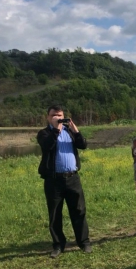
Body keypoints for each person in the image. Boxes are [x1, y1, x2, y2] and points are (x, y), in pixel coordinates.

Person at [37, 105, 92, 258]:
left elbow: (83, 145)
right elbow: (47, 145)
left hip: (73, 178)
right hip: (53, 181)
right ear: (48, 117)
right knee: (55, 214)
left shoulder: (69, 132)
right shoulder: (44, 133)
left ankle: (84, 242)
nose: (58, 117)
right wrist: (56, 129)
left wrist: (76, 131)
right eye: (54, 115)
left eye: (60, 115)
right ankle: (58, 245)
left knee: (79, 210)